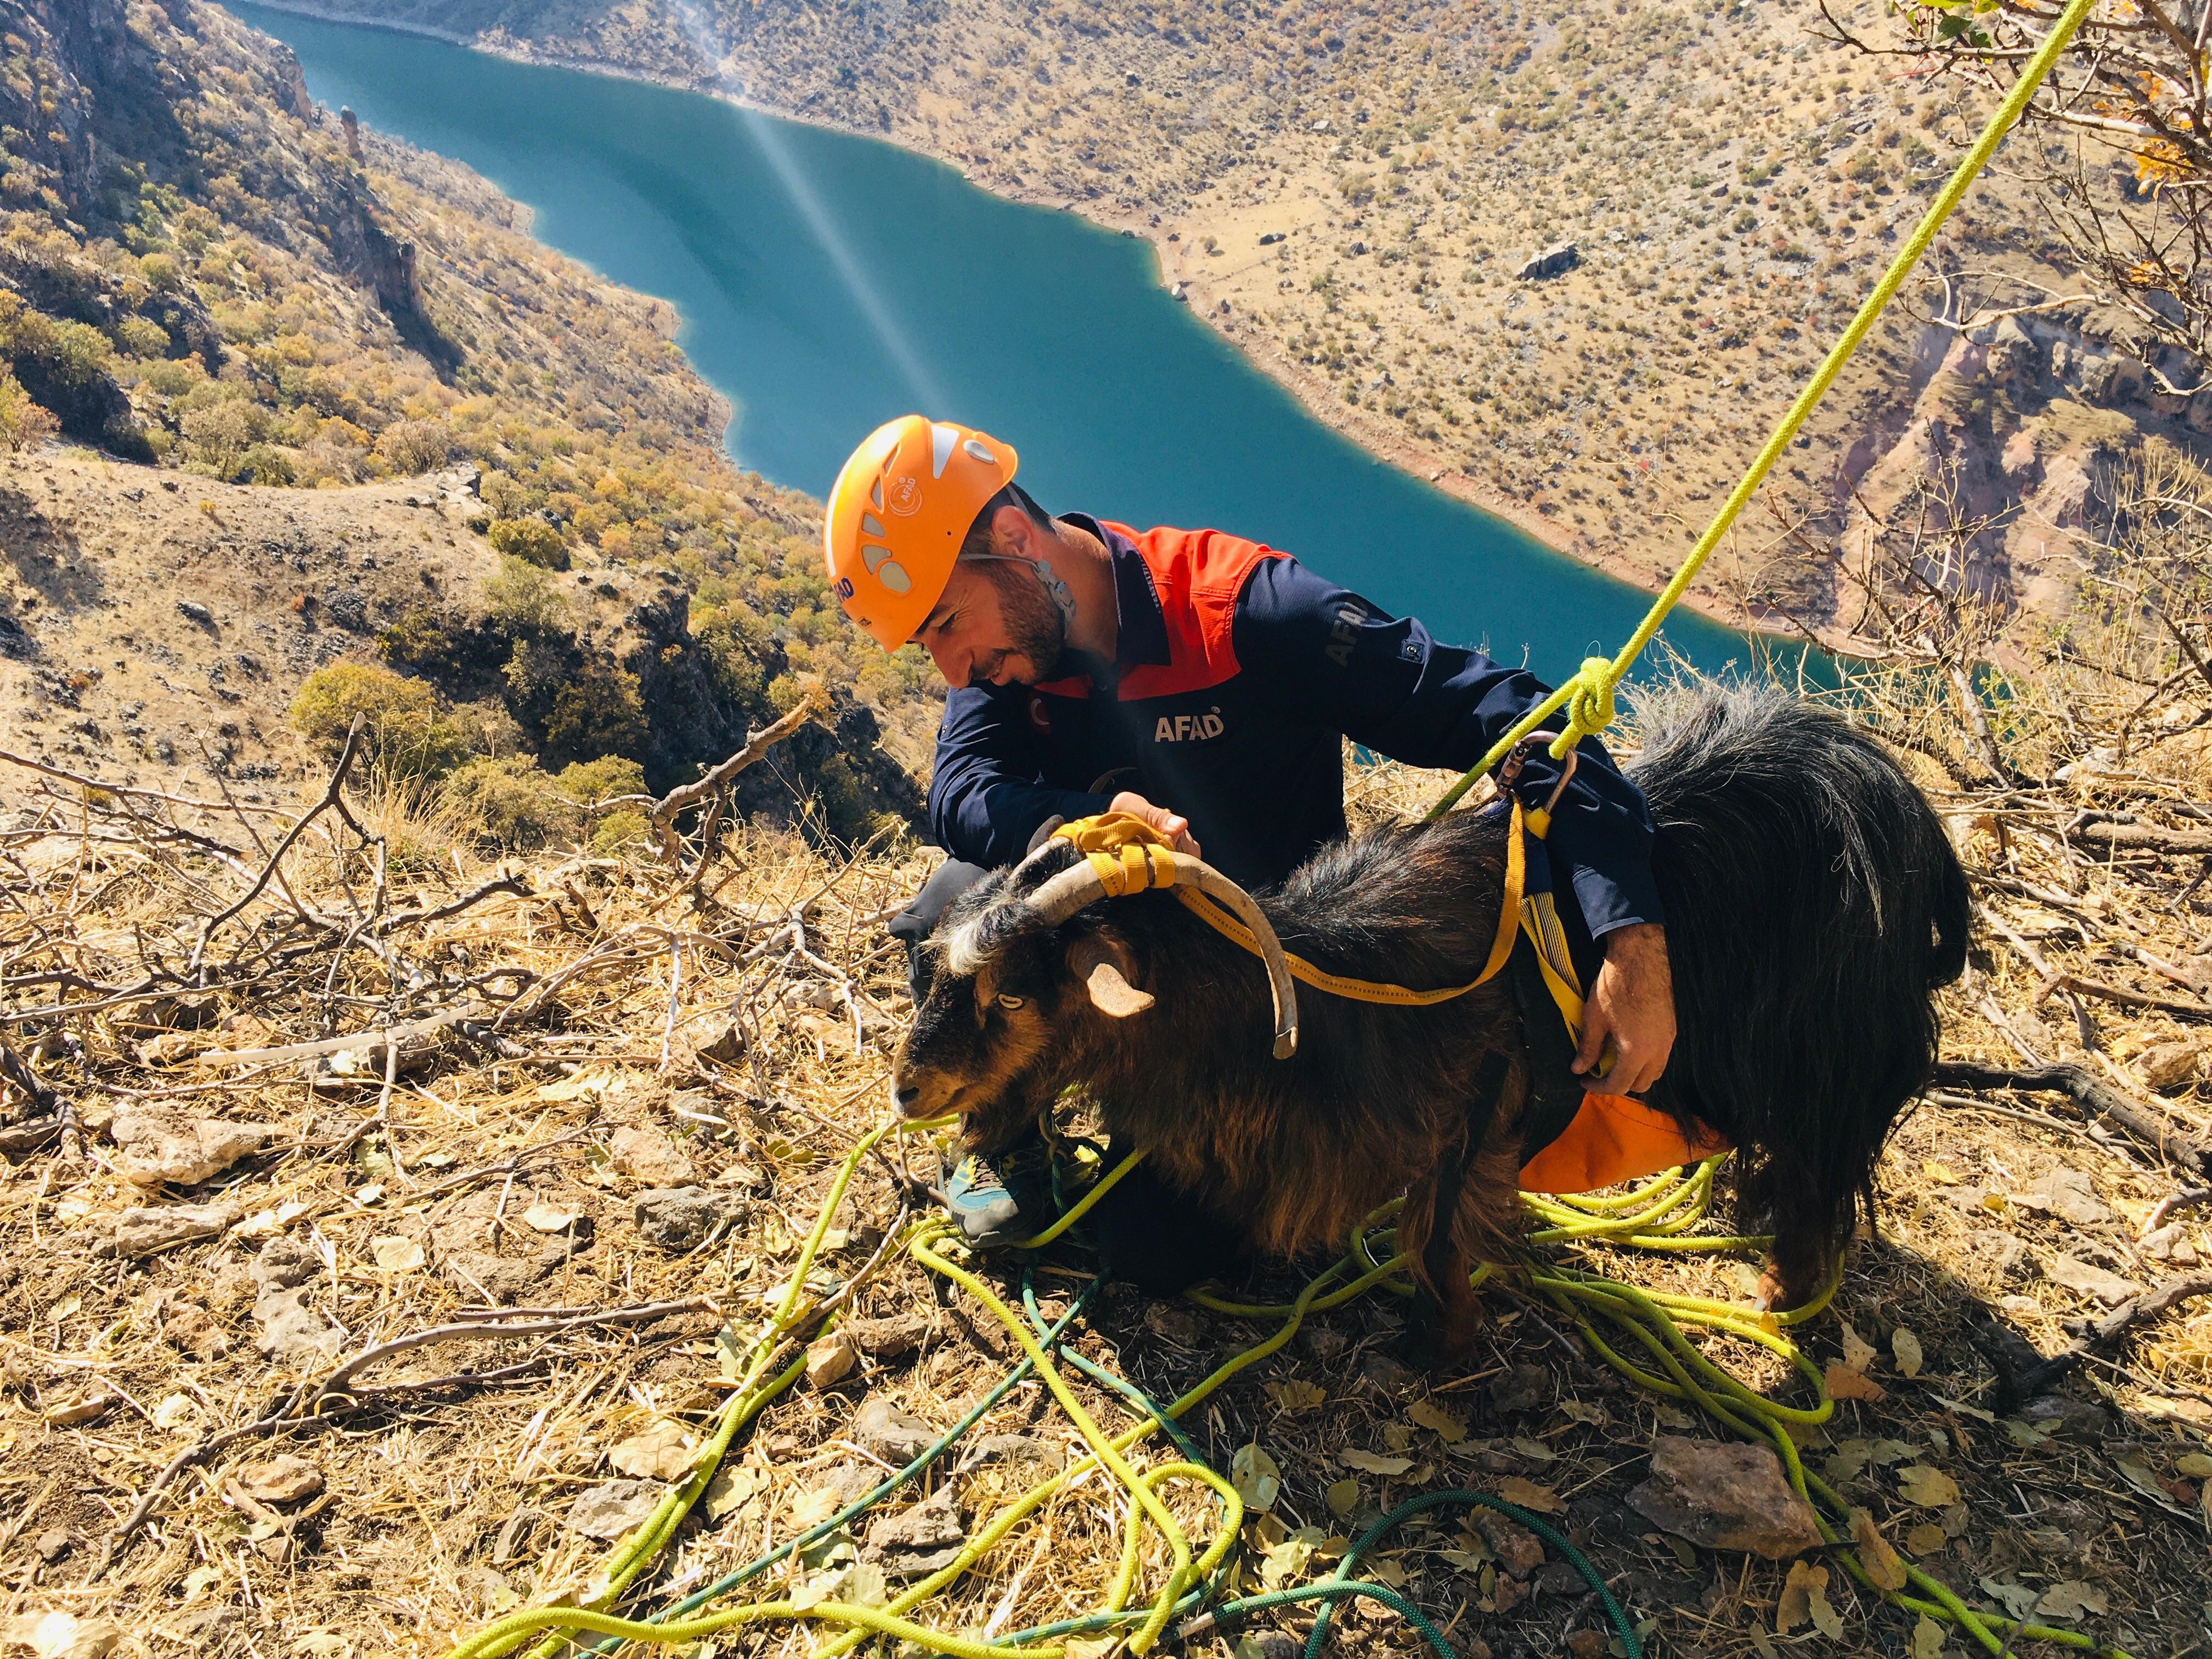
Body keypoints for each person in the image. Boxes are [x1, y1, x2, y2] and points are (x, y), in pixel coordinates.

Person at [823, 415, 1675, 1288]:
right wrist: (1083, 823)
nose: (953, 669)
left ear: (1013, 542)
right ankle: (1002, 1133)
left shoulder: (1251, 611)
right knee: (952, 907)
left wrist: (1630, 935)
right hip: (1107, 973)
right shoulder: (1008, 658)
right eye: (928, 643)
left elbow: (1511, 717)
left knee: (1152, 1249)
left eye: (946, 624)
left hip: (1259, 985)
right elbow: (960, 793)